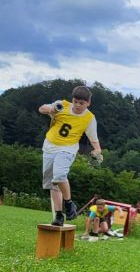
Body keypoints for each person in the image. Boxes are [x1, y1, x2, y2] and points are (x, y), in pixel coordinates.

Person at [38, 85, 104, 226]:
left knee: (59, 174)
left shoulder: (89, 118)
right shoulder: (62, 105)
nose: (78, 105)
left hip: (68, 149)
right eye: (75, 101)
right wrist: (51, 109)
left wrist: (97, 150)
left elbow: (93, 138)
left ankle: (69, 203)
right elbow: (42, 108)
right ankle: (58, 215)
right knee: (53, 184)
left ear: (88, 103)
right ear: (72, 99)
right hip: (49, 147)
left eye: (82, 103)